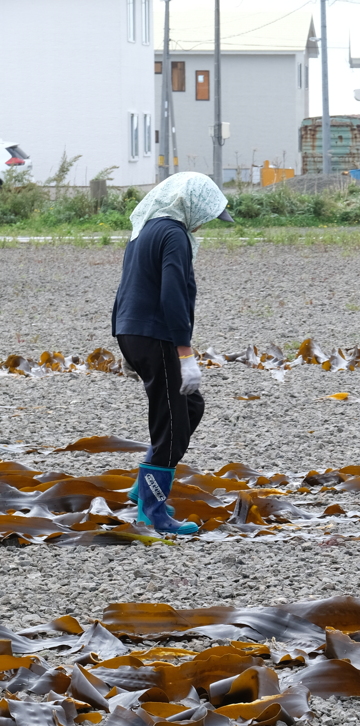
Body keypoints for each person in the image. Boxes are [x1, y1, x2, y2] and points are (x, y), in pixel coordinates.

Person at [111, 172, 234, 536]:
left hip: (133, 331)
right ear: (190, 203)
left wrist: (125, 344)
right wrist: (185, 353)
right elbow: (173, 295)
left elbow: (126, 288)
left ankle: (143, 482)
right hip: (157, 336)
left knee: (190, 406)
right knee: (171, 420)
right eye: (206, 215)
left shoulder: (144, 231)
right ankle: (152, 511)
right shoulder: (174, 235)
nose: (204, 223)